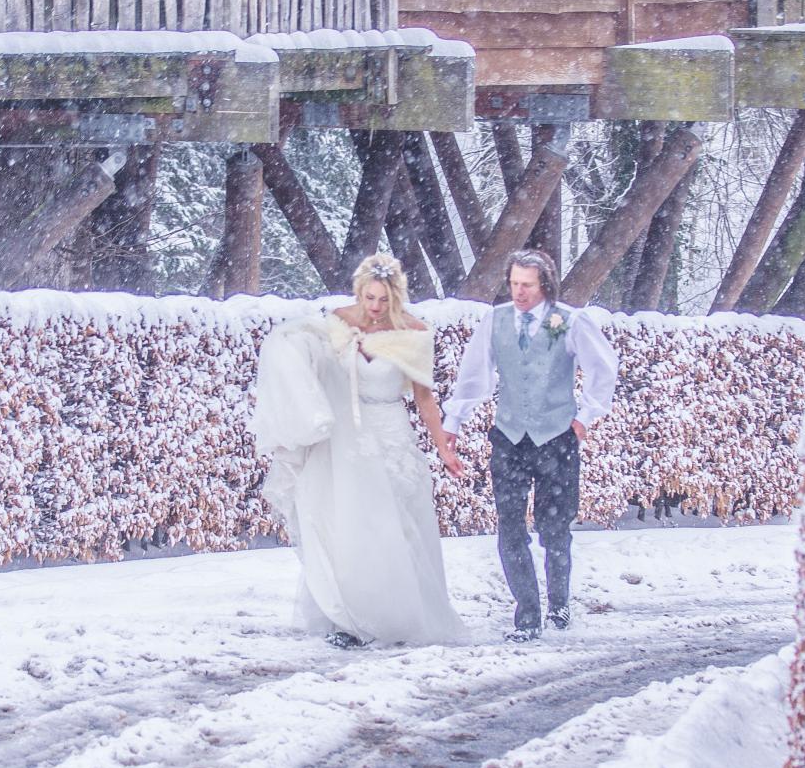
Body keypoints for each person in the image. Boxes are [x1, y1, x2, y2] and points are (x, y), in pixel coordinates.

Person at [251, 253, 468, 647]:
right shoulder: (338, 322)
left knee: (398, 525)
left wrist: (443, 448)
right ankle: (350, 618)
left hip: (391, 433)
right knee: (349, 522)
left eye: (383, 300)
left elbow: (424, 399)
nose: (374, 307)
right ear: (359, 292)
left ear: (395, 297)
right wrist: (300, 409)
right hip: (347, 438)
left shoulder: (414, 333)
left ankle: (398, 616)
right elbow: (302, 352)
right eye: (369, 298)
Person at [441, 248, 616, 641]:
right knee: (510, 526)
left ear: (545, 285)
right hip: (509, 437)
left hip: (556, 438)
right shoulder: (496, 320)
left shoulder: (563, 321)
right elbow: (474, 375)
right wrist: (455, 420)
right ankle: (527, 615)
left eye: (528, 285)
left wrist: (584, 416)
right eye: (514, 284)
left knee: (554, 527)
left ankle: (558, 604)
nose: (519, 292)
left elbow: (604, 368)